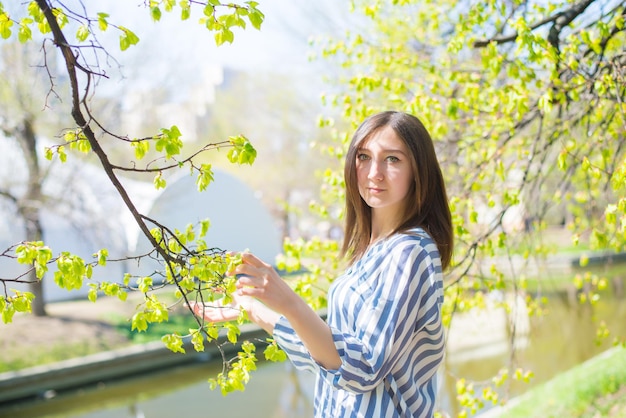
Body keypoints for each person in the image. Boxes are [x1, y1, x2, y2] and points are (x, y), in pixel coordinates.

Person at [191, 110, 453, 417]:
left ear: (418, 170)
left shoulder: (410, 251)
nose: (374, 173)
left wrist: (290, 302)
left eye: (392, 159)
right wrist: (255, 310)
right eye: (364, 157)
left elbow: (363, 367)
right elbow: (327, 355)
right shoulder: (373, 250)